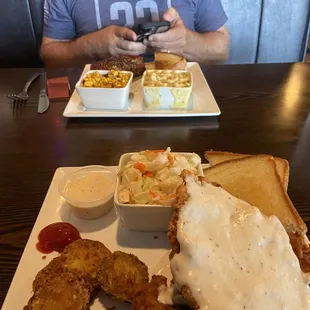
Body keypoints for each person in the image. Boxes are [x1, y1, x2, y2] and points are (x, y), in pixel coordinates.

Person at [40, 0, 229, 67]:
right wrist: (90, 47)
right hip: (97, 105)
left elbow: (221, 50)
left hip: (180, 101)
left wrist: (186, 43)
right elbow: (50, 57)